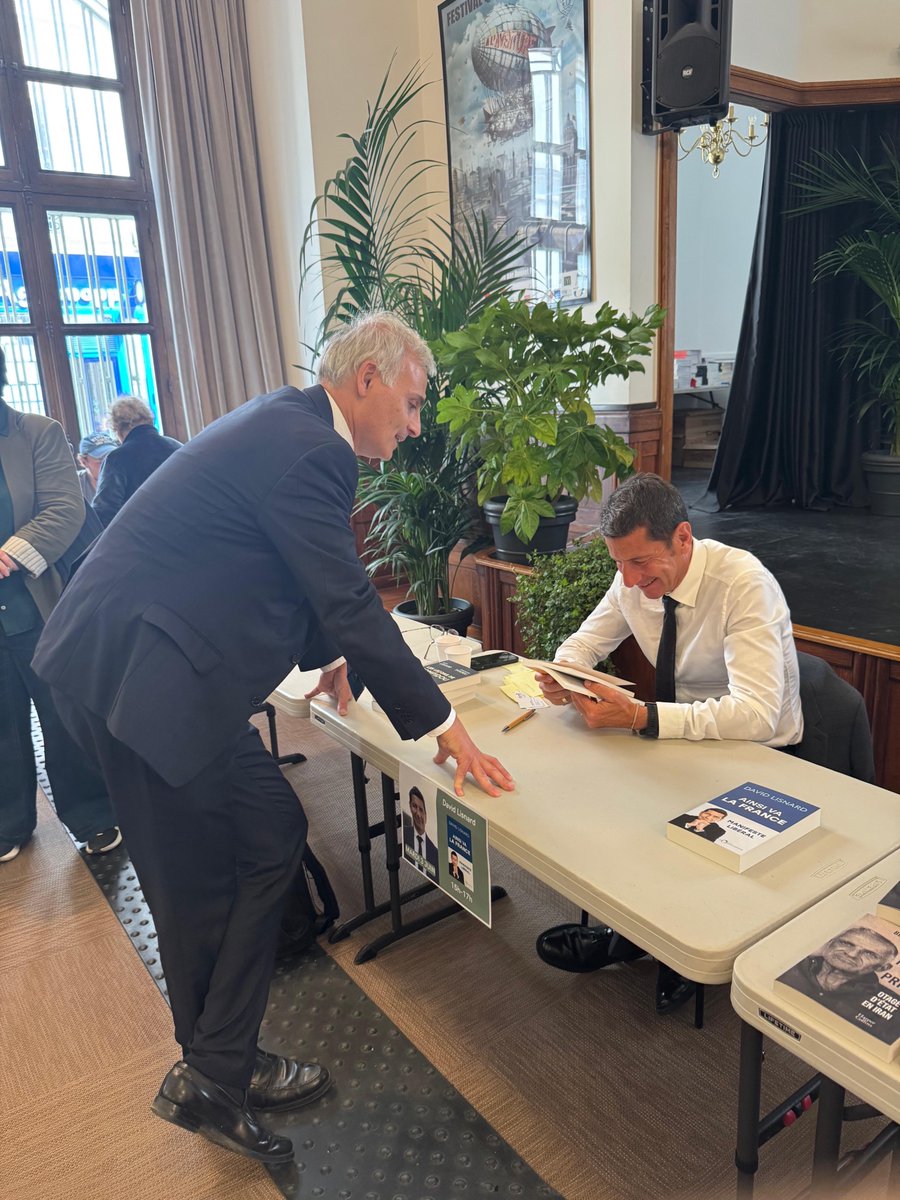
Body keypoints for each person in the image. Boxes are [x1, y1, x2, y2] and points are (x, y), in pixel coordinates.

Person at [33, 310, 514, 1165]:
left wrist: (328, 652)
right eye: (407, 405)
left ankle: (217, 1064)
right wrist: (444, 725)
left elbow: (278, 572)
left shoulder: (284, 424)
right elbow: (349, 597)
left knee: (229, 860)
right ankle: (216, 1072)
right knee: (234, 860)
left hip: (127, 669)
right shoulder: (313, 449)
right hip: (145, 684)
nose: (411, 429)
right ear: (366, 378)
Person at [534, 472, 803, 1015]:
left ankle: (649, 947)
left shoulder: (743, 583)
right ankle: (639, 935)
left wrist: (640, 716)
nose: (629, 581)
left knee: (662, 828)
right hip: (678, 732)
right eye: (619, 564)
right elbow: (586, 641)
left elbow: (756, 715)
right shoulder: (632, 576)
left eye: (639, 564)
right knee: (611, 809)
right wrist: (566, 675)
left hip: (762, 757)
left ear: (683, 538)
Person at [0, 349, 120, 862]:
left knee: (62, 716)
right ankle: (9, 822)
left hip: (33, 603)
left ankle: (94, 812)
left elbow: (64, 509)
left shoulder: (35, 432)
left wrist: (7, 555)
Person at [91, 396, 182, 527]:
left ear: (117, 429)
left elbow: (105, 512)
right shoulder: (177, 447)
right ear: (149, 420)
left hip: (142, 537)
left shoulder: (117, 458)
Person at [780, 926, 897, 1021]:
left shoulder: (887, 1006)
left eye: (869, 954)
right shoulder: (790, 963)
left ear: (883, 968)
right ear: (829, 942)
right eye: (846, 944)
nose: (851, 954)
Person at [403, 785, 439, 878]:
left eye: (421, 810)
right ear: (409, 806)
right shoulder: (405, 834)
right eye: (414, 806)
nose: (418, 814)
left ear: (426, 816)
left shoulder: (435, 853)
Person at [76, 431, 118, 502]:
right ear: (84, 462)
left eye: (113, 458)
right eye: (101, 461)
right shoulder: (76, 484)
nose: (110, 465)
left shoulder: (125, 479)